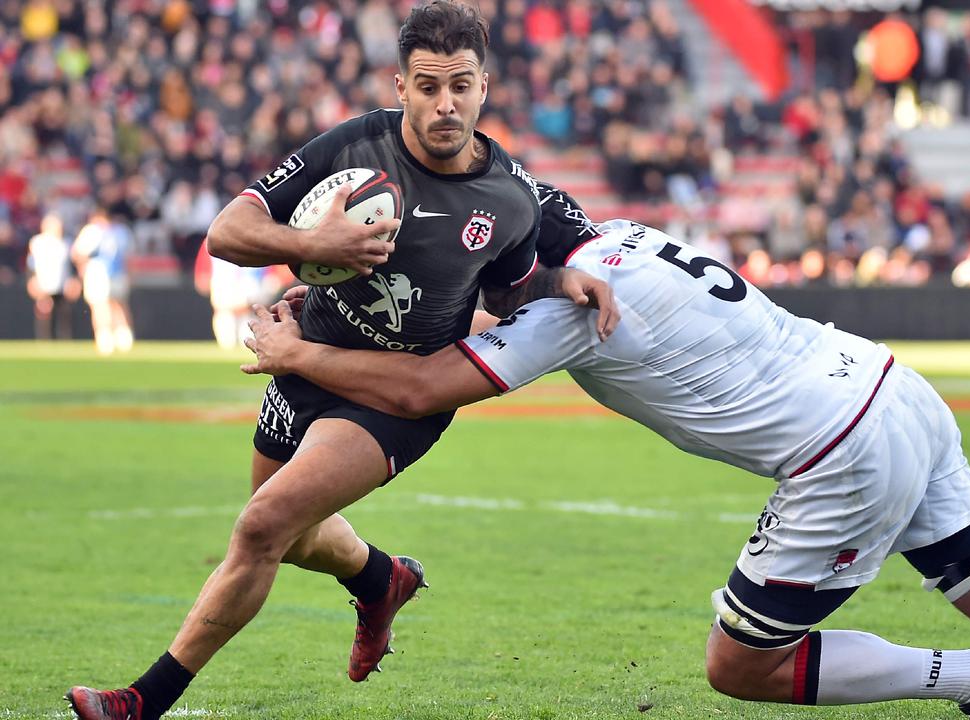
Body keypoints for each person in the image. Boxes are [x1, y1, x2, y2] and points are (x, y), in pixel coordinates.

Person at [240, 184, 970, 720]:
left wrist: (297, 352)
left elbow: (424, 387)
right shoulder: (625, 238)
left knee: (739, 665)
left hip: (837, 448)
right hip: (887, 385)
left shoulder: (561, 310)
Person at [65, 4, 616, 720]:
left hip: (390, 398)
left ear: (485, 87)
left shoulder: (509, 199)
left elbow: (507, 292)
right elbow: (228, 232)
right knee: (291, 540)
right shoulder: (356, 146)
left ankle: (144, 700)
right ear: (400, 86)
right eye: (426, 86)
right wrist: (316, 247)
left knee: (263, 527)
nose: (444, 103)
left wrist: (557, 280)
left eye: (460, 85)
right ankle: (380, 578)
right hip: (303, 363)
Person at [71, 209, 134, 355]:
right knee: (116, 304)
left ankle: (107, 337)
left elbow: (77, 253)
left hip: (99, 273)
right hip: (116, 273)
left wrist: (82, 269)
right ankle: (122, 336)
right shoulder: (121, 231)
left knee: (104, 306)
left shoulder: (92, 231)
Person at [25, 212, 79, 341]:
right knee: (44, 311)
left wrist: (74, 280)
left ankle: (64, 338)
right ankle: (45, 339)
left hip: (62, 283)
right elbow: (31, 264)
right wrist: (33, 280)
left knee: (63, 312)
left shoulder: (66, 242)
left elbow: (72, 264)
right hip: (44, 283)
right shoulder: (37, 242)